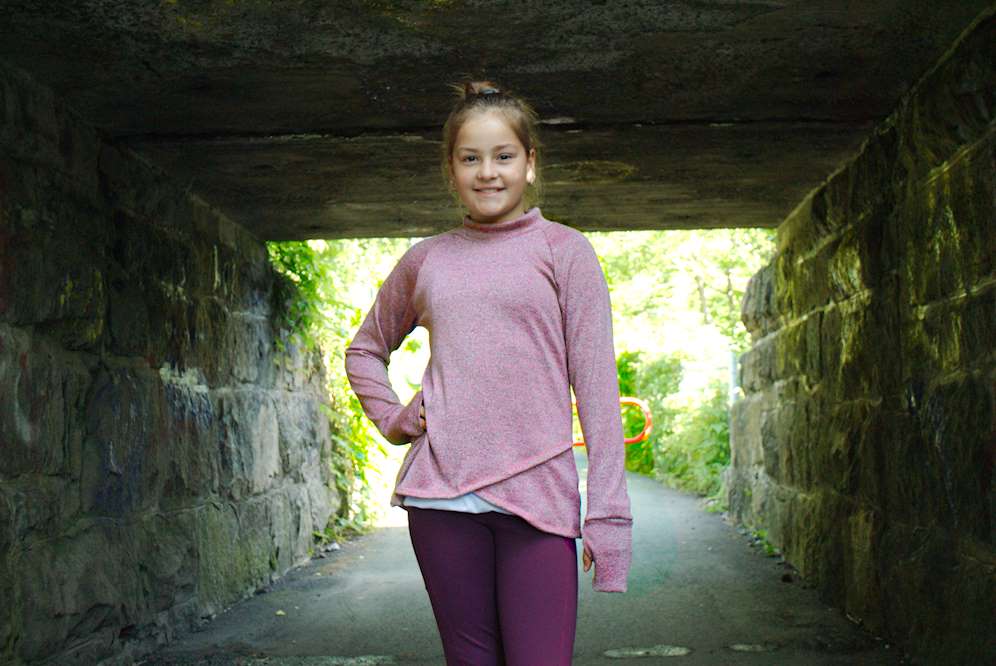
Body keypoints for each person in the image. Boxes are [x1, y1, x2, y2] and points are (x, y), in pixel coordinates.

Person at [344, 79, 633, 665]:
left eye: (503, 156)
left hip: (540, 497)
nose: (488, 172)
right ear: (450, 171)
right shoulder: (427, 259)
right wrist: (396, 418)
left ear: (530, 164)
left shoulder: (564, 251)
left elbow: (599, 393)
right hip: (443, 500)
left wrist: (608, 516)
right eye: (470, 158)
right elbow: (364, 350)